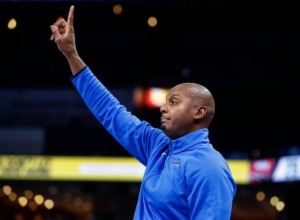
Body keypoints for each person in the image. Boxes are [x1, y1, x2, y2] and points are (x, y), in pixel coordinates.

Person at [50, 5, 236, 220]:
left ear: (199, 112)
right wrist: (72, 55)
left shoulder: (210, 168)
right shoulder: (157, 145)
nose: (163, 107)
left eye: (174, 102)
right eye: (166, 101)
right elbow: (111, 111)